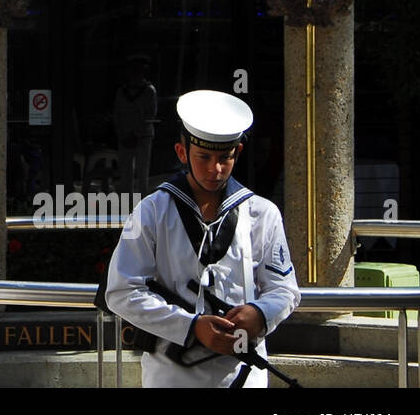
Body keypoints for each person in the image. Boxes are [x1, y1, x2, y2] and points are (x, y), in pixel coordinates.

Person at [105, 90, 299, 387]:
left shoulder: (263, 213)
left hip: (243, 374)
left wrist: (260, 314)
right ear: (182, 153)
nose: (215, 169)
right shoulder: (151, 211)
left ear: (238, 153)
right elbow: (121, 292)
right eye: (204, 157)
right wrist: (191, 326)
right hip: (171, 375)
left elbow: (284, 289)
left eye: (225, 157)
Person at [113, 53, 157, 200]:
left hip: (142, 137)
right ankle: (126, 202)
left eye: (139, 70)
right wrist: (122, 133)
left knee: (142, 171)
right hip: (125, 136)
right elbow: (117, 114)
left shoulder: (149, 91)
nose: (135, 73)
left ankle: (143, 202)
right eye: (133, 70)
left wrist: (135, 134)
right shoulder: (122, 91)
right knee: (125, 172)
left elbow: (150, 115)